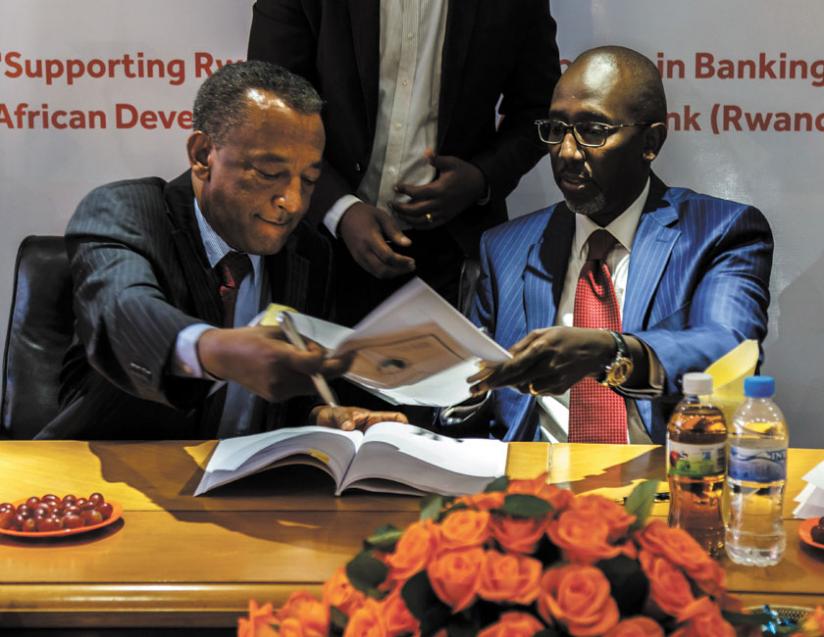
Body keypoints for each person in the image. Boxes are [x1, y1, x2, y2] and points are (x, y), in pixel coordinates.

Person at [40, 61, 406, 440]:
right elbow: (125, 312)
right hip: (105, 476)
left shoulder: (308, 252)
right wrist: (216, 351)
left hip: (243, 487)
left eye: (309, 179)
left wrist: (320, 416)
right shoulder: (125, 211)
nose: (293, 202)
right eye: (268, 173)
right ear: (202, 155)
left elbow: (273, 401)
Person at [463, 46, 773, 443]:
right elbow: (470, 391)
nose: (568, 152)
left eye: (593, 131)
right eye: (557, 129)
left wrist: (611, 353)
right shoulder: (504, 246)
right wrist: (424, 410)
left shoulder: (719, 232)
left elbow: (728, 351)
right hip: (532, 486)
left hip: (662, 481)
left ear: (651, 141)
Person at [247, 0, 561, 325]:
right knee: (312, 375)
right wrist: (339, 208)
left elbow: (540, 109)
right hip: (317, 240)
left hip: (450, 252)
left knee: (445, 376)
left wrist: (480, 178)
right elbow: (269, 105)